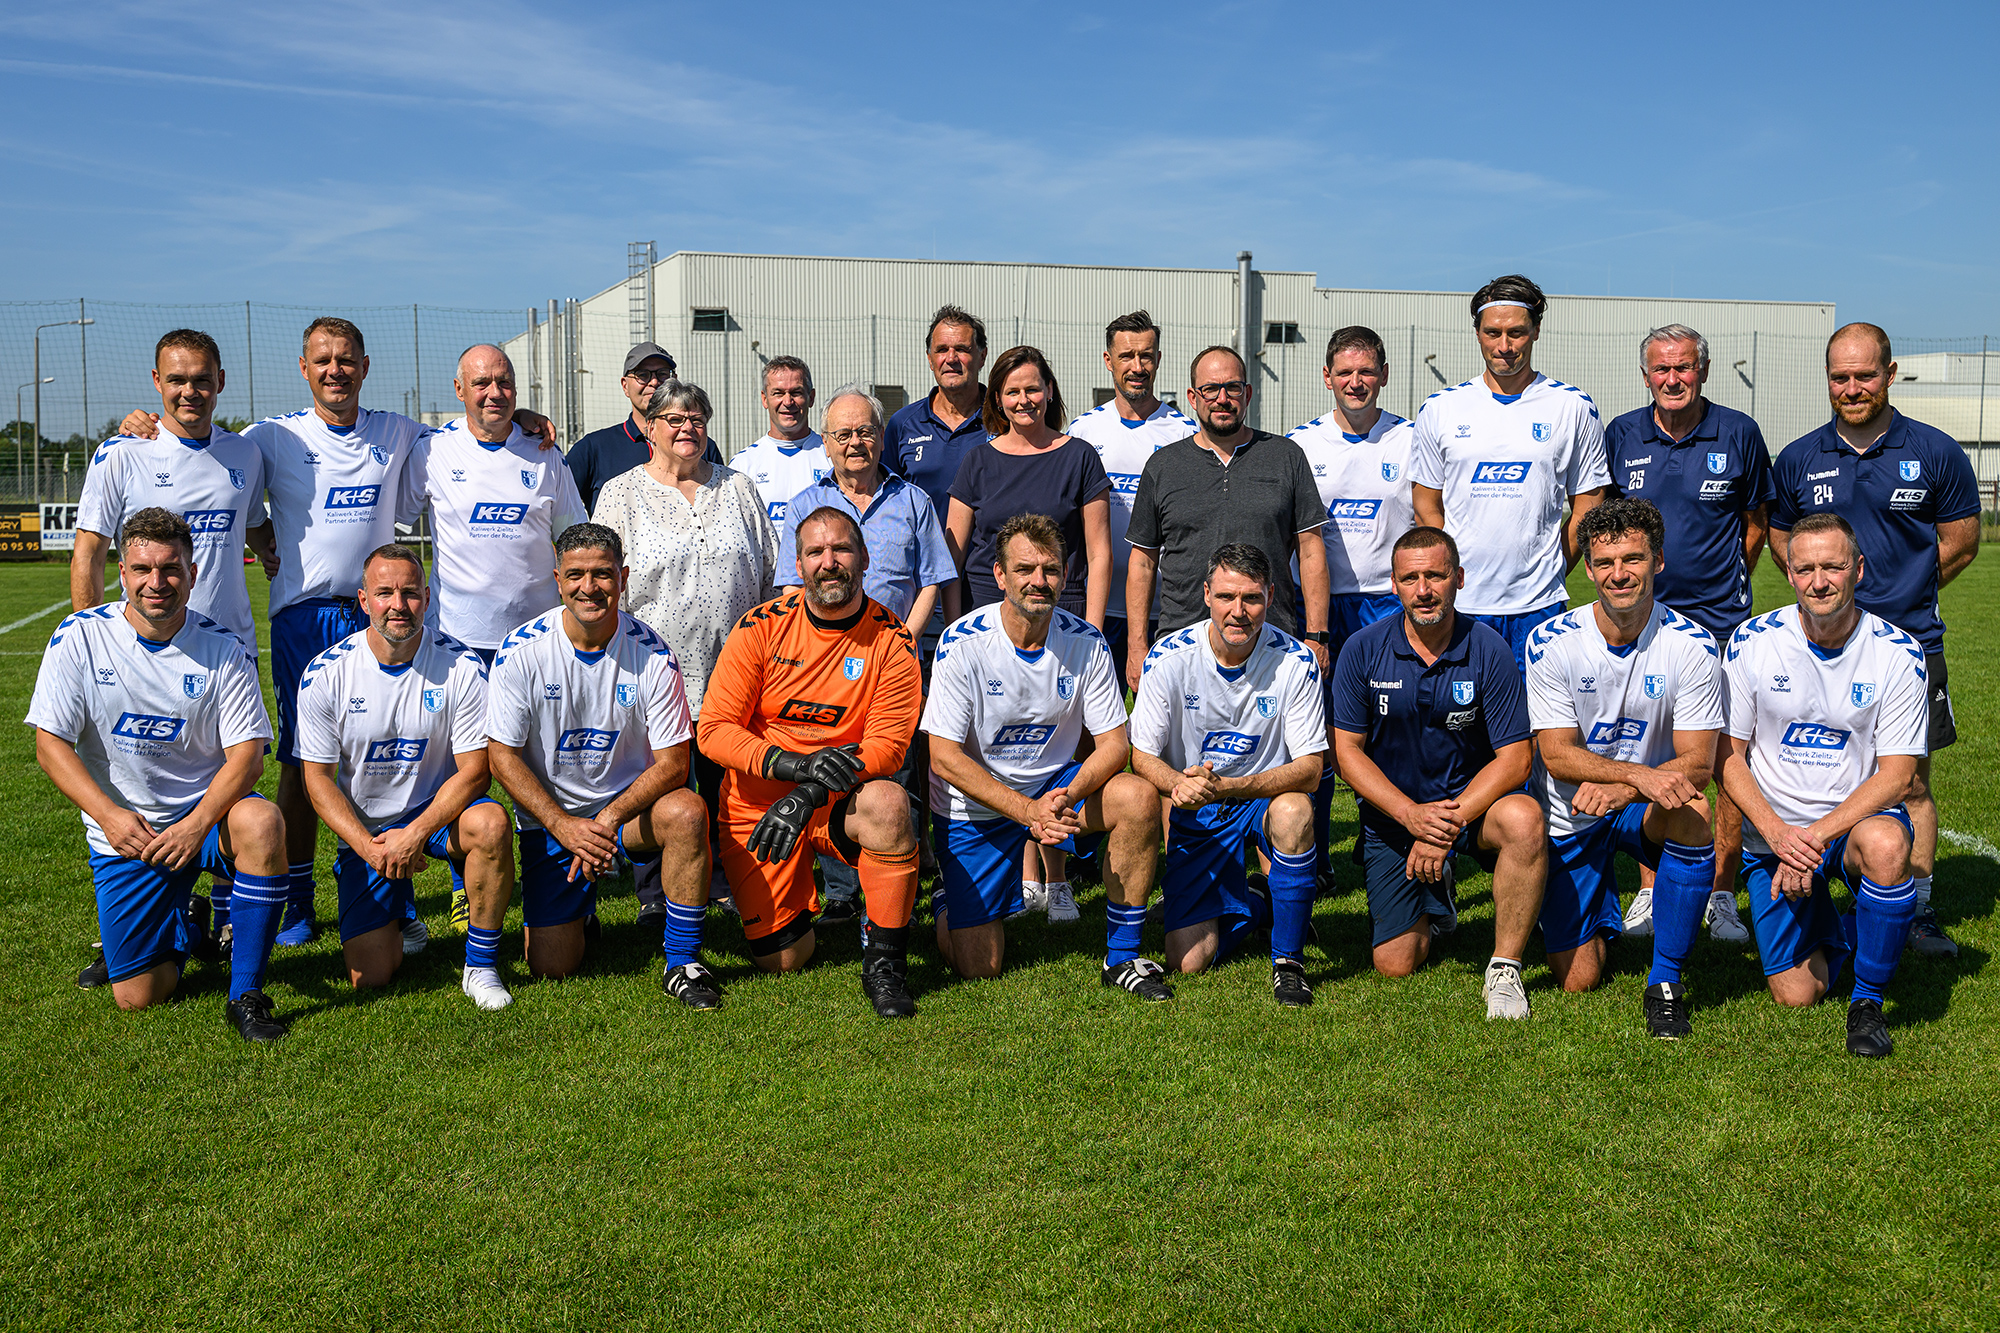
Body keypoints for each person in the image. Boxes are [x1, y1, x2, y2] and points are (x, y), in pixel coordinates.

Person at [118, 317, 553, 948]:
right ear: (304, 368)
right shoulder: (270, 437)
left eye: (346, 360)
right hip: (306, 617)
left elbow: (477, 424)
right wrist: (145, 424)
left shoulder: (399, 433)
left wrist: (526, 416)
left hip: (384, 610)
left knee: (411, 751)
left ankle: (403, 895)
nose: (335, 371)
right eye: (323, 360)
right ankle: (294, 899)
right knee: (302, 763)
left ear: (365, 366)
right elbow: (215, 469)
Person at [27, 508, 291, 1042]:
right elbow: (49, 745)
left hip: (206, 821)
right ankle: (187, 921)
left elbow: (248, 757)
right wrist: (109, 816)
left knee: (262, 822)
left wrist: (197, 825)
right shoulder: (80, 637)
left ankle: (247, 995)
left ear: (192, 574)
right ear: (122, 573)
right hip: (127, 835)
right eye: (143, 569)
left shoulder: (224, 648)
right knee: (138, 996)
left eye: (171, 568)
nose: (157, 582)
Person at [1769, 323, 1980, 958]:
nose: (1852, 388)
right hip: (1817, 646)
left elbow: (1962, 541)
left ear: (1890, 374)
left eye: (1865, 375)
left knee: (1909, 780)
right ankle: (1819, 877)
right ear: (1827, 379)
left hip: (1910, 644)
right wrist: (1828, 596)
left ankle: (1916, 907)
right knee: (1809, 765)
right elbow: (1782, 537)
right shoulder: (1801, 457)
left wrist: (1895, 600)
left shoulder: (1937, 451)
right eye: (1840, 377)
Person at [75, 330, 275, 957]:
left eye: (202, 378)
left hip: (226, 653)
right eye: (177, 379)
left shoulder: (244, 455)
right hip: (138, 656)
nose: (190, 391)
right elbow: (90, 551)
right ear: (157, 382)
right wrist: (91, 642)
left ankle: (222, 922)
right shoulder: (122, 452)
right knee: (137, 785)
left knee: (228, 788)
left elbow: (261, 529)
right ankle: (148, 919)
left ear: (221, 381)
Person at [696, 507, 927, 1017]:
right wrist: (794, 769)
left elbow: (888, 746)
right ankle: (800, 903)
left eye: (842, 549)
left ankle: (886, 963)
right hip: (759, 805)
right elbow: (713, 730)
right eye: (815, 553)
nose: (830, 563)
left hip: (836, 798)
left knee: (890, 803)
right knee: (784, 959)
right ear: (797, 565)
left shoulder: (892, 639)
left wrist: (809, 793)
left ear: (864, 558)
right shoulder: (760, 627)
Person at [922, 516, 1166, 995]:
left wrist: (1065, 795)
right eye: (1025, 569)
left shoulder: (1086, 640)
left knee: (1137, 797)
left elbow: (1115, 743)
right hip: (977, 806)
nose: (1039, 581)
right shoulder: (962, 642)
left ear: (1065, 574)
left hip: (1056, 789)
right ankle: (949, 897)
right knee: (979, 965)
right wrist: (1025, 811)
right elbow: (943, 756)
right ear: (999, 576)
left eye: (1050, 569)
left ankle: (1123, 957)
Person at [1719, 514, 1928, 1057]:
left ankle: (1868, 1003)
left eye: (1833, 566)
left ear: (1858, 569)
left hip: (1851, 823)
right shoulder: (1752, 641)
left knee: (1886, 846)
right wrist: (1779, 835)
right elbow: (1728, 758)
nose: (1820, 581)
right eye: (1806, 567)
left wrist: (1810, 840)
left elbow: (1898, 775)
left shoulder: (1898, 652)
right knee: (1796, 994)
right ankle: (1860, 926)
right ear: (1788, 573)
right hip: (1775, 833)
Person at [484, 525, 719, 1004]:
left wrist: (608, 819)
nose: (588, 587)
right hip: (553, 821)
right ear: (557, 578)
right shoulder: (520, 651)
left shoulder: (654, 654)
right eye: (576, 575)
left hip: (627, 817)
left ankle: (684, 963)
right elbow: (500, 756)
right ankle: (580, 915)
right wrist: (562, 825)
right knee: (552, 965)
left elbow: (675, 762)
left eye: (602, 574)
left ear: (623, 577)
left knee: (688, 812)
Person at [1525, 499, 1725, 1038]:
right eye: (1605, 563)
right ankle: (1601, 911)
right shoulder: (1550, 641)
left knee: (1693, 810)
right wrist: (1634, 777)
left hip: (1641, 808)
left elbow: (1700, 763)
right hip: (1571, 813)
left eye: (1633, 559)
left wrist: (1627, 792)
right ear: (1588, 568)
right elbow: (1556, 753)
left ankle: (1664, 983)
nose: (1619, 574)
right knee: (1578, 978)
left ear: (1658, 561)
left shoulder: (1693, 644)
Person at [1329, 527, 1545, 1018]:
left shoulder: (1489, 648)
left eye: (1435, 575)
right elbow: (1347, 754)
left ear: (1459, 579)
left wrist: (1443, 827)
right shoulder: (1362, 649)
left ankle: (1505, 968)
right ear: (1394, 585)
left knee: (1525, 819)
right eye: (1410, 578)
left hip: (1474, 809)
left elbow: (1516, 759)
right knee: (1395, 962)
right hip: (1395, 817)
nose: (1423, 589)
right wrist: (1409, 816)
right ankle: (1436, 894)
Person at [1603, 324, 1770, 947]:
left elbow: (1755, 521)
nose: (1673, 379)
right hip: (1641, 625)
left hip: (1721, 623)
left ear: (1703, 371)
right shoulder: (1622, 434)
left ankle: (1721, 892)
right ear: (1646, 375)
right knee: (1654, 753)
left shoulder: (1739, 432)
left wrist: (1725, 586)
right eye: (1661, 369)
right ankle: (1650, 888)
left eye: (1685, 368)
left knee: (1727, 755)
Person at [590, 379, 778, 929]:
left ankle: (728, 880)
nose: (687, 427)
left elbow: (767, 573)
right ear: (649, 428)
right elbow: (604, 582)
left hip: (735, 667)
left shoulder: (739, 487)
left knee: (729, 784)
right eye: (673, 419)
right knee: (660, 780)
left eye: (697, 417)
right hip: (654, 669)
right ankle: (655, 891)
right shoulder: (621, 494)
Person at [294, 544, 514, 1007]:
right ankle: (400, 916)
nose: (398, 605)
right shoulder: (325, 674)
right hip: (368, 831)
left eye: (410, 593)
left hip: (436, 815)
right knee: (370, 977)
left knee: (491, 823)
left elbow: (476, 773)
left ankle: (482, 966)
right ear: (363, 599)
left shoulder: (463, 665)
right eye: (385, 593)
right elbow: (316, 781)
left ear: (427, 598)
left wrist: (413, 835)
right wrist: (370, 849)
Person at [772, 385, 957, 925]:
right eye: (843, 434)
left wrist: (900, 641)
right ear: (825, 444)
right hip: (826, 665)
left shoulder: (913, 501)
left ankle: (898, 875)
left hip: (896, 659)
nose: (856, 443)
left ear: (882, 438)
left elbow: (931, 583)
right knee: (831, 764)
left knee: (898, 769)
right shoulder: (807, 506)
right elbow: (789, 586)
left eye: (866, 432)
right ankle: (842, 892)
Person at [1129, 543, 1326, 1005]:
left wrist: (1231, 787)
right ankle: (1262, 901)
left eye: (1252, 599)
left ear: (1271, 596)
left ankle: (1289, 963)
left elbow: (1312, 769)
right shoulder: (1169, 656)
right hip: (1197, 803)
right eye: (1226, 597)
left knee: (1296, 809)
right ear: (1206, 595)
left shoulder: (1296, 662)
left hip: (1259, 797)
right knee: (1189, 960)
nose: (1238, 612)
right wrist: (1181, 783)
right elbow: (1141, 755)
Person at [1411, 274, 1611, 670]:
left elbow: (1589, 502)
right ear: (1478, 334)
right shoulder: (1441, 408)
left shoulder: (1571, 406)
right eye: (1493, 333)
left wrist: (1553, 565)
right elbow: (1426, 503)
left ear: (1536, 331)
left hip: (1539, 605)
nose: (1504, 346)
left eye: (1517, 333)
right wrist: (1449, 573)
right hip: (1462, 603)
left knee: (1540, 726)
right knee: (1460, 725)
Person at [1285, 325, 1420, 889]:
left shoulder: (1412, 439)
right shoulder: (1299, 444)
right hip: (1314, 608)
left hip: (1383, 605)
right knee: (1312, 735)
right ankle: (1311, 859)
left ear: (1384, 376)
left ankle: (1394, 852)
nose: (1355, 382)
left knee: (1388, 735)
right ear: (1326, 378)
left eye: (1366, 372)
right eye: (1344, 372)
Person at [1125, 345, 1331, 692]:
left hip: (1271, 643)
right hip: (1181, 644)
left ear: (1247, 393)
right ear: (1193, 396)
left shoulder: (1286, 457)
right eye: (1210, 389)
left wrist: (1316, 636)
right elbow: (1142, 563)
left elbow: (1311, 551)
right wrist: (1136, 645)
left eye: (1232, 387)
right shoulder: (1163, 467)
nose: (1222, 398)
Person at [411, 345, 589, 661]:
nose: (495, 392)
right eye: (482, 383)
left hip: (537, 639)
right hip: (456, 639)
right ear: (459, 389)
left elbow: (575, 540)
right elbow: (387, 519)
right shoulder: (431, 451)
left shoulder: (546, 454)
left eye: (504, 382)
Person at [947, 345, 1112, 625]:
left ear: (1049, 390)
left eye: (1032, 389)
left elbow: (1099, 555)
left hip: (1061, 611)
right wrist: (952, 630)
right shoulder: (977, 462)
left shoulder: (1080, 457)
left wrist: (1093, 631)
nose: (1023, 400)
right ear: (998, 399)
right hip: (985, 610)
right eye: (1012, 392)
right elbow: (952, 559)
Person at [1064, 310, 1195, 651]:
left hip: (1164, 613)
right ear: (1108, 360)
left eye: (1146, 356)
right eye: (1126, 356)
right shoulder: (1082, 431)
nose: (1137, 367)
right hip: (1095, 604)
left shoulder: (1184, 434)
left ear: (1159, 359)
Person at [564, 342, 719, 511]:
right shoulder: (594, 448)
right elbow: (559, 506)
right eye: (642, 374)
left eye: (662, 374)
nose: (654, 382)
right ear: (625, 385)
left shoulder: (699, 446)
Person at [727, 357, 828, 522]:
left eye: (796, 392)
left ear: (811, 397)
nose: (787, 402)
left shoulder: (832, 457)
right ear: (764, 399)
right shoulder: (743, 465)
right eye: (778, 393)